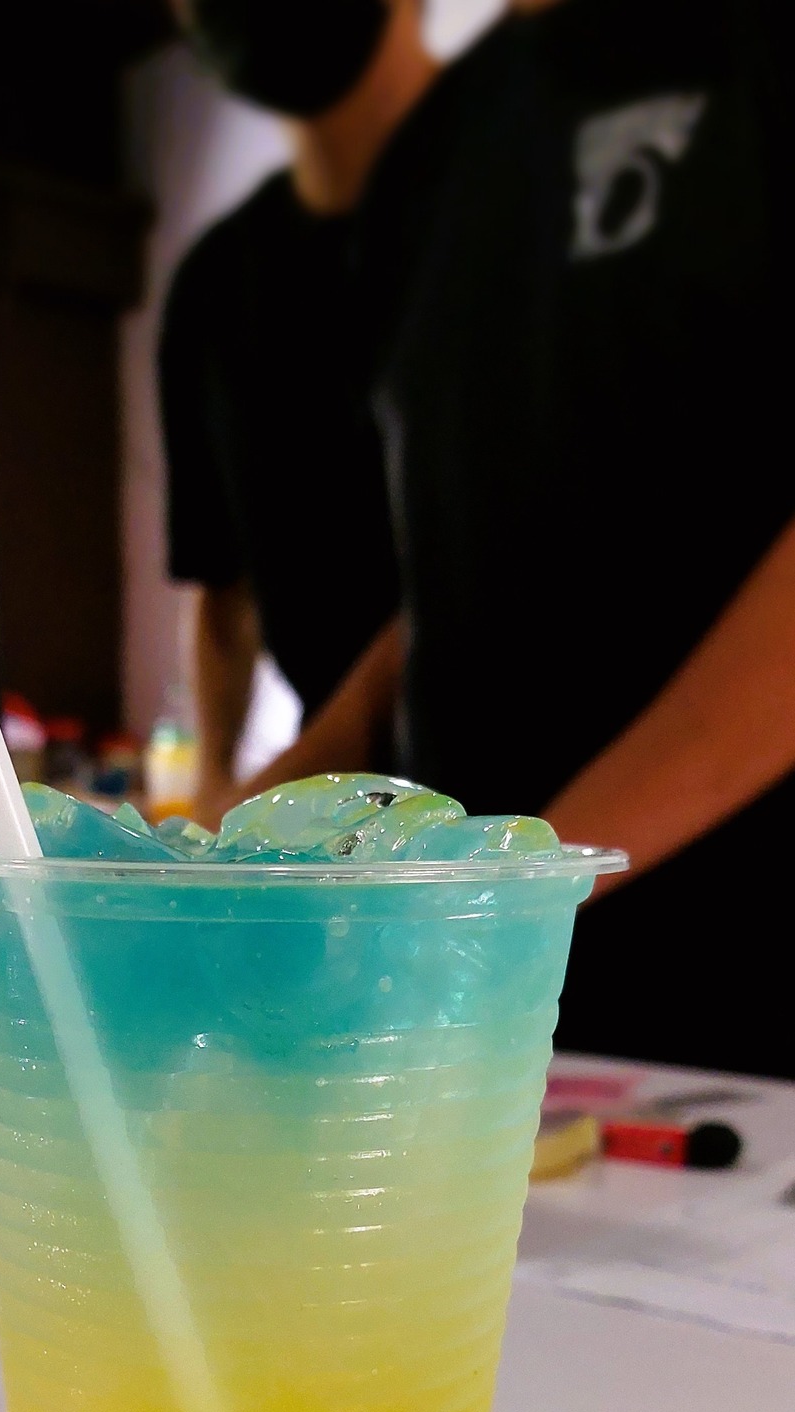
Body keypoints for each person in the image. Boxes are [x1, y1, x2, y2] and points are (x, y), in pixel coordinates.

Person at [221, 0, 795, 1077]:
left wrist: (514, 891)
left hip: (736, 1027)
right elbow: (466, 557)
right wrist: (262, 810)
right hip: (476, 1019)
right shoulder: (440, 146)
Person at [160, 0, 437, 828]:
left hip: (534, 815)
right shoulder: (215, 287)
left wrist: (270, 797)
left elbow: (499, 570)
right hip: (345, 825)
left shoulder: (512, 207)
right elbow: (224, 591)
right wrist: (213, 783)